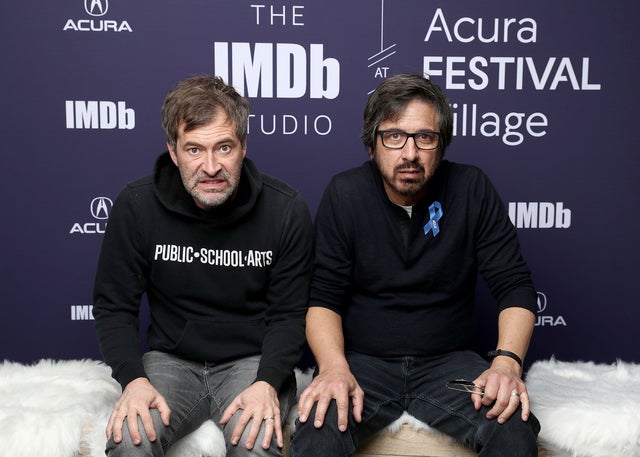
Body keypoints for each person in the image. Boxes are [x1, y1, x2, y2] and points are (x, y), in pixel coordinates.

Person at [290, 73, 541, 456]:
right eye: (394, 136)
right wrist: (334, 368)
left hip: (450, 366)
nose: (410, 153)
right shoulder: (345, 193)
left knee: (513, 427)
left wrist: (506, 364)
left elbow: (515, 287)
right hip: (363, 365)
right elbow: (323, 299)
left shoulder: (471, 187)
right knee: (318, 427)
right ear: (372, 145)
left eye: (425, 137)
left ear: (441, 146)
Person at [93, 75, 314, 457]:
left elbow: (290, 315)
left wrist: (268, 383)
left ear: (243, 147)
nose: (210, 166)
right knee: (130, 441)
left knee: (257, 445)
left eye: (223, 147)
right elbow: (114, 306)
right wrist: (133, 379)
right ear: (173, 151)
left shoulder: (285, 209)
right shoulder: (136, 205)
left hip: (253, 363)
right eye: (194, 150)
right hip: (170, 362)